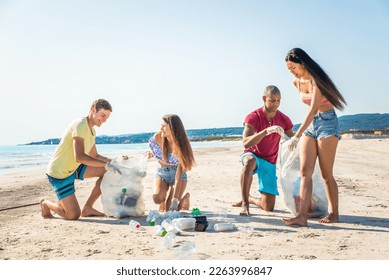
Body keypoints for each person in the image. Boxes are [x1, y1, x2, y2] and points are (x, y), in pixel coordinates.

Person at [282, 48, 347, 226]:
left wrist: (296, 135)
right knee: (305, 172)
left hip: (327, 123)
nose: (291, 71)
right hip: (312, 125)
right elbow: (310, 112)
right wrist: (301, 133)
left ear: (302, 64)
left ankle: (334, 213)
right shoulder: (296, 82)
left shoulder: (317, 81)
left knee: (327, 174)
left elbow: (312, 110)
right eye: (288, 69)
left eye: (293, 67)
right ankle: (302, 216)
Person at [40, 99, 122, 220]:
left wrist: (116, 161)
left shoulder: (92, 131)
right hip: (59, 173)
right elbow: (80, 157)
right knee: (72, 215)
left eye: (107, 118)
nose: (104, 120)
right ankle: (45, 203)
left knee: (107, 171)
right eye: (103, 115)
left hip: (74, 168)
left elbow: (95, 156)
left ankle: (88, 207)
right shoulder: (80, 125)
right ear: (93, 109)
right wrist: (107, 164)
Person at [232, 85, 294, 216]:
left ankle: (250, 199)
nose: (276, 104)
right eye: (272, 100)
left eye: (278, 100)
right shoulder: (253, 116)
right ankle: (245, 204)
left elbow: (291, 140)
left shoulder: (284, 119)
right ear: (264, 99)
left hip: (270, 160)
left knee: (268, 207)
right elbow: (246, 142)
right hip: (252, 154)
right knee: (249, 162)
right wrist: (265, 131)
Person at [148, 114, 196, 212]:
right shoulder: (158, 137)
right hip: (162, 172)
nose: (161, 128)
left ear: (173, 128)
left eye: (164, 126)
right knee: (157, 199)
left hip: (178, 175)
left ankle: (185, 199)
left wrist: (174, 201)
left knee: (171, 209)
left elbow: (178, 177)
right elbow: (155, 153)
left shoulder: (182, 146)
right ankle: (163, 203)